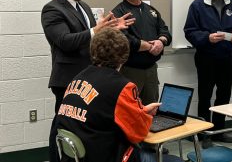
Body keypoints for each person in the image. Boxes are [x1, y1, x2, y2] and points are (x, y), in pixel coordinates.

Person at [41, 0, 135, 162]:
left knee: (85, 126)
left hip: (89, 78)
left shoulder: (82, 7)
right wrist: (95, 29)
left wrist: (109, 28)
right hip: (67, 81)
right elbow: (65, 41)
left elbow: (91, 36)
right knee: (63, 124)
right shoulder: (52, 9)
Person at [56, 27, 161, 162]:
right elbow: (138, 133)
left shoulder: (77, 79)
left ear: (92, 50)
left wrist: (140, 110)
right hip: (103, 154)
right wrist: (145, 115)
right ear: (124, 56)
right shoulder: (122, 87)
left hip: (77, 156)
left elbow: (102, 110)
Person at [183, 0, 232, 148]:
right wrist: (207, 38)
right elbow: (189, 32)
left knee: (224, 96)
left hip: (227, 58)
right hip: (206, 58)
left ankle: (219, 131)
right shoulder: (197, 5)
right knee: (205, 96)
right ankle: (205, 134)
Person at [112, 0, 172, 106]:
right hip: (130, 71)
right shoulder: (118, 13)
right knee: (130, 113)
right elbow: (124, 40)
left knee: (151, 111)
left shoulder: (151, 11)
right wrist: (150, 46)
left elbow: (165, 31)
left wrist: (161, 42)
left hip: (151, 71)